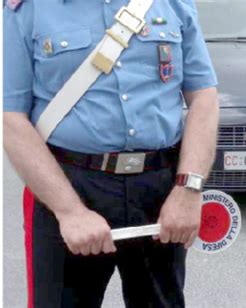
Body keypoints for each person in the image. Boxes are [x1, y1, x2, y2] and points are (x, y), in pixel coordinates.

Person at [3, 0, 219, 307]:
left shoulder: (174, 4)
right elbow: (11, 118)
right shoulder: (30, 8)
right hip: (69, 185)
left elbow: (204, 97)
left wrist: (188, 189)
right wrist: (70, 212)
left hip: (160, 189)